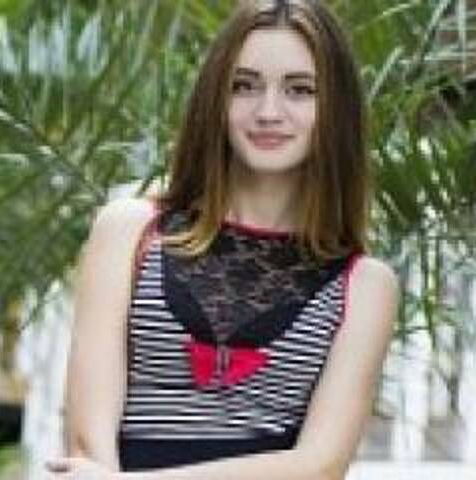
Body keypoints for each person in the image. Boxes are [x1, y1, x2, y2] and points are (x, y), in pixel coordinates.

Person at [47, 0, 398, 478]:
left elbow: (320, 466)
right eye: (244, 86)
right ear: (216, 98)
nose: (268, 112)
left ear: (335, 109)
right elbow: (88, 445)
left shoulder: (365, 285)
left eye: (299, 90)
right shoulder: (128, 232)